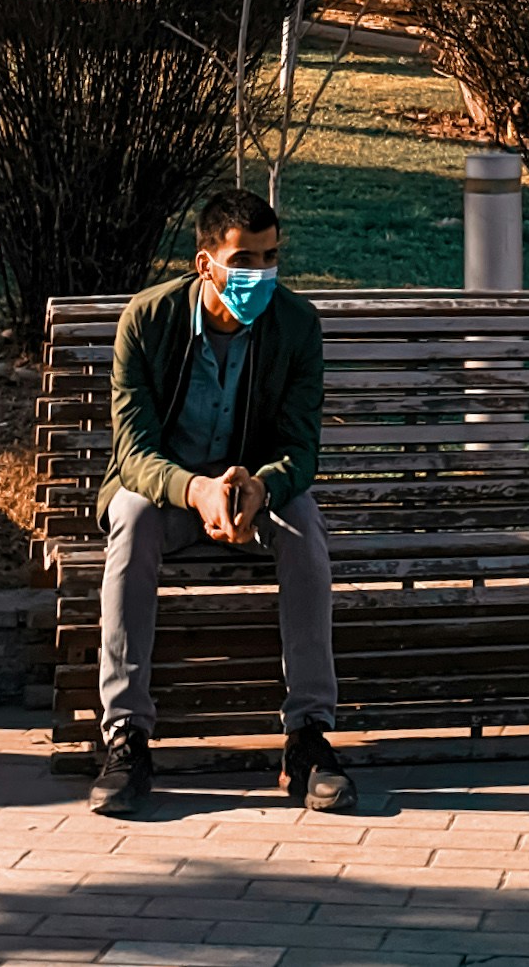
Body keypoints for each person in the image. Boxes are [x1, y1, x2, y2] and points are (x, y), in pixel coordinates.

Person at [90, 189, 355, 816]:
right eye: (244, 260)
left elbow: (301, 448)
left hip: (252, 495)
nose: (260, 274)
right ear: (205, 263)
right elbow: (133, 454)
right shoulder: (148, 321)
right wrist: (197, 490)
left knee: (303, 522)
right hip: (169, 493)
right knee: (130, 519)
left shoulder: (296, 324)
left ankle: (308, 736)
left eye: (270, 257)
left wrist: (260, 487)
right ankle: (126, 735)